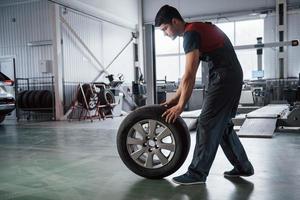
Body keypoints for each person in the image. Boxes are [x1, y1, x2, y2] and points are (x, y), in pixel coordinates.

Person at [156, 5, 254, 185]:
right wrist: (176, 99)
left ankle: (197, 173)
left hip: (224, 76)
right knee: (223, 125)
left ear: (175, 21)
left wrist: (180, 106)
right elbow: (187, 76)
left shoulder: (190, 34)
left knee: (207, 122)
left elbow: (190, 74)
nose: (165, 33)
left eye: (165, 29)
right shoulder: (196, 29)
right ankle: (243, 166)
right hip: (230, 75)